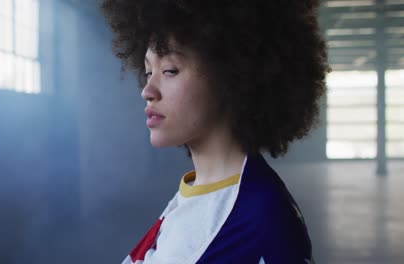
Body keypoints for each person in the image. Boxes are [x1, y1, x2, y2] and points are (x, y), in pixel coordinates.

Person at [100, 0, 329, 263]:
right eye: (149, 71)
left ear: (232, 75)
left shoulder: (261, 217)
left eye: (169, 70)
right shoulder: (196, 193)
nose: (147, 91)